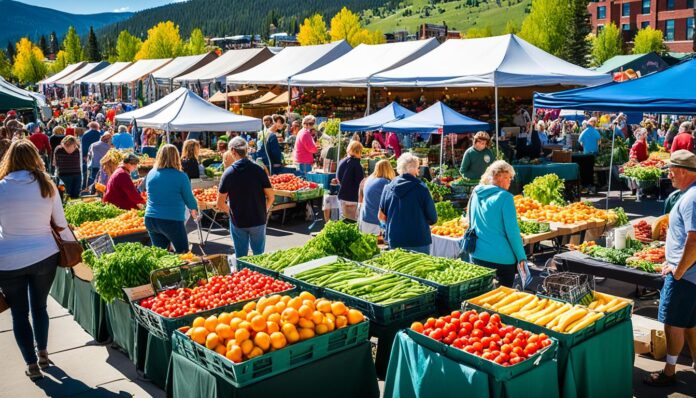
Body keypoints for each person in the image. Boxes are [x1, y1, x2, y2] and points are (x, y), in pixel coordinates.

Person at [0, 140, 69, 380]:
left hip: (8, 259)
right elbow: (61, 224)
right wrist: (75, 250)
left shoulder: (1, 187)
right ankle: (43, 352)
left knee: (19, 313)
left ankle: (31, 364)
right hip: (44, 254)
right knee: (39, 307)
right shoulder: (46, 185)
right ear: (35, 158)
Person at [644, 150, 696, 387]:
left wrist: (678, 270)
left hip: (686, 275)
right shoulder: (688, 195)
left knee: (673, 323)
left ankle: (669, 372)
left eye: (672, 170)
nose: (669, 174)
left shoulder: (692, 198)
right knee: (690, 323)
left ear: (684, 171)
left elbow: (694, 241)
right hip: (689, 274)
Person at [467, 160, 526, 287]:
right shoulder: (506, 197)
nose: (510, 181)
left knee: (480, 295)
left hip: (477, 254)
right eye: (509, 178)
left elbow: (470, 221)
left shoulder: (476, 192)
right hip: (502, 258)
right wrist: (521, 257)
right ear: (499, 177)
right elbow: (513, 232)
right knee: (503, 298)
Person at [216, 137, 274, 257]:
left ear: (233, 151)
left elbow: (220, 203)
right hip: (258, 218)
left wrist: (231, 213)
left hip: (239, 221)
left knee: (241, 257)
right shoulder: (258, 170)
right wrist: (264, 209)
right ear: (246, 150)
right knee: (259, 257)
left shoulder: (228, 173)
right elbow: (271, 197)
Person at [379, 153, 437, 253]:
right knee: (420, 268)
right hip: (418, 240)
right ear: (414, 169)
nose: (418, 170)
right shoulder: (422, 188)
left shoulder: (388, 187)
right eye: (418, 168)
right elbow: (433, 218)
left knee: (395, 269)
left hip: (395, 239)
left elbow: (381, 216)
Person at [144, 145, 198, 253]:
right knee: (183, 254)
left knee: (160, 255)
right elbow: (189, 199)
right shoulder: (181, 176)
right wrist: (194, 209)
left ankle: (163, 270)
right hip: (172, 220)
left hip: (151, 219)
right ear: (176, 157)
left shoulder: (151, 173)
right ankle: (183, 271)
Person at [358, 159, 395, 234]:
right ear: (389, 170)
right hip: (376, 223)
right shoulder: (386, 183)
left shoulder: (368, 180)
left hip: (365, 219)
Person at [336, 141, 365, 221]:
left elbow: (338, 178)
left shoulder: (342, 161)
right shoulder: (357, 165)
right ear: (358, 151)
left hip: (342, 196)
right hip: (353, 198)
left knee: (343, 223)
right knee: (352, 225)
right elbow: (360, 184)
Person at [80, 121, 102, 188]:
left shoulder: (86, 134)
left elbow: (84, 146)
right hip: (98, 155)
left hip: (88, 155)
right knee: (97, 172)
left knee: (86, 172)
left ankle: (85, 186)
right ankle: (95, 186)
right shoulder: (99, 134)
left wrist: (84, 155)